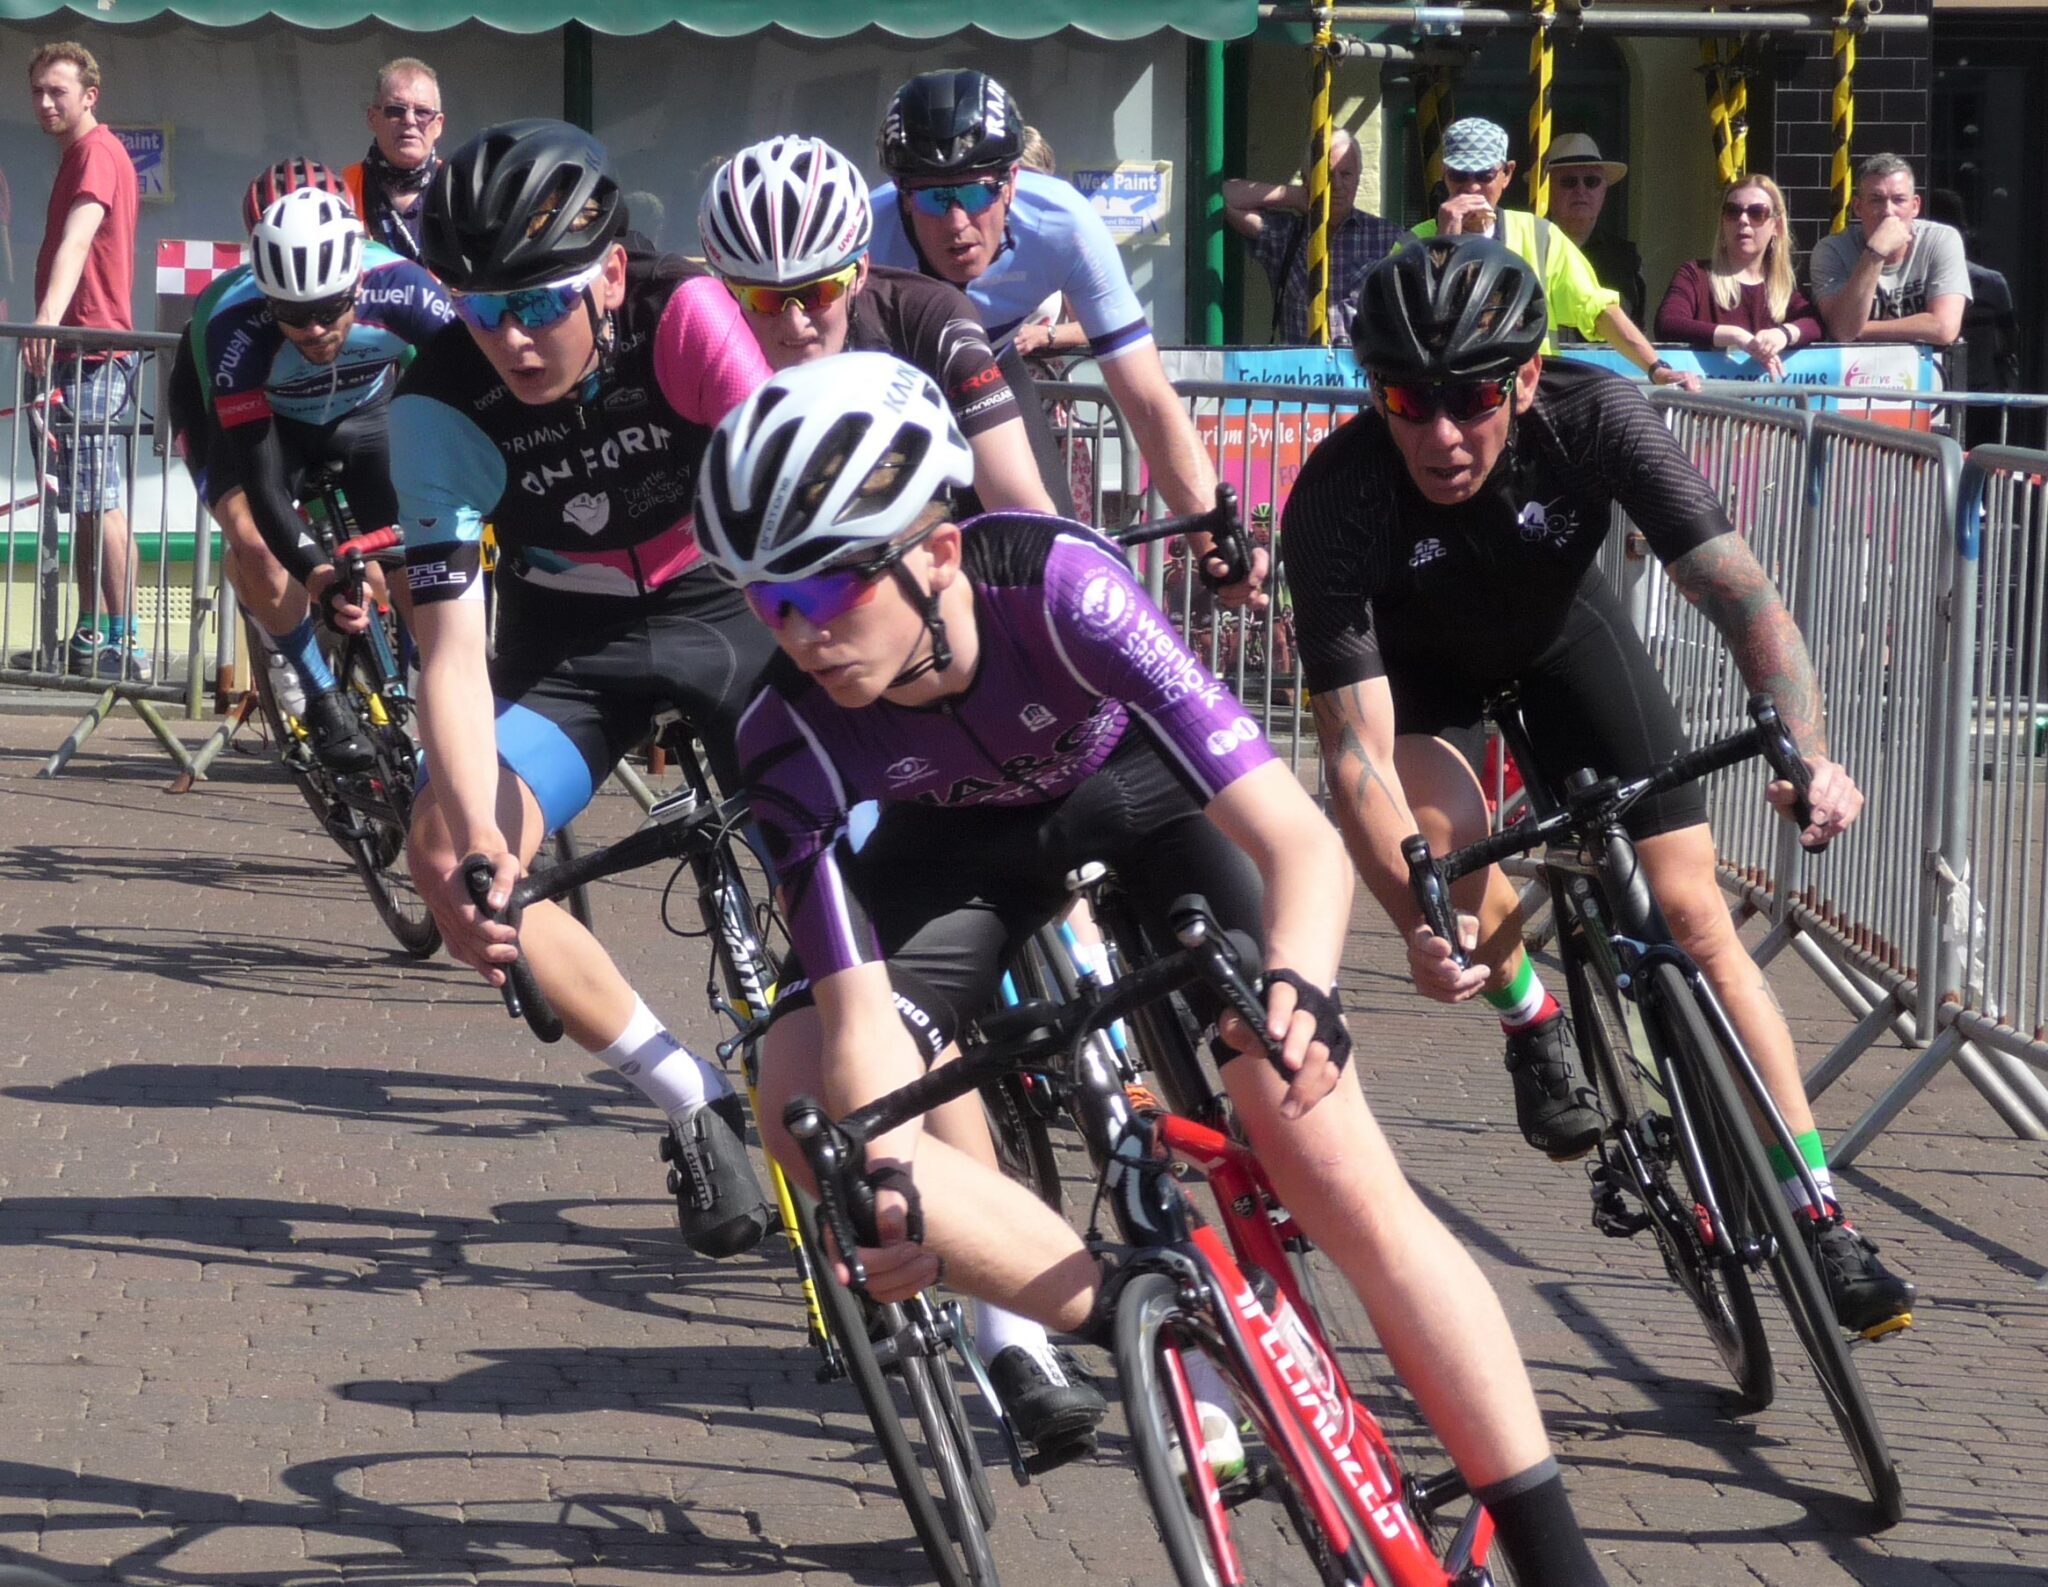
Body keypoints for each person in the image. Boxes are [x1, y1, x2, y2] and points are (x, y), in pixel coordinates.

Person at [695, 350, 1613, 1586]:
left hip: (1138, 801)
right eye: (767, 601)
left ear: (936, 552)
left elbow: (1294, 836)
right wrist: (884, 1175)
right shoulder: (784, 731)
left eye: (825, 585)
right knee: (803, 1093)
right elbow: (861, 1027)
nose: (799, 630)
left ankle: (1561, 1563)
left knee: (1320, 1138)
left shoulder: (1063, 586)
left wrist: (1301, 988)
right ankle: (1138, 1309)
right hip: (954, 855)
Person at [1281, 236, 1915, 1338]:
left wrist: (1807, 751)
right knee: (1438, 844)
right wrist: (1419, 920)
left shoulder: (1598, 412)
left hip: (1566, 638)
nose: (1439, 434)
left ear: (1526, 377)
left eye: (1472, 398)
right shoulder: (1336, 498)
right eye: (1404, 400)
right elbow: (1355, 753)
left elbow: (1743, 598)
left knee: (1690, 915)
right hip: (1422, 681)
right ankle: (1532, 1024)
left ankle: (1819, 1212)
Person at [389, 119, 779, 1260]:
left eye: (539, 302)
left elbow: (780, 513)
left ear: (609, 272)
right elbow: (451, 652)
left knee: (857, 841)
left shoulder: (685, 313)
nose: (511, 336)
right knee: (444, 852)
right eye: (479, 305)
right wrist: (476, 843)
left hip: (727, 605)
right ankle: (688, 1098)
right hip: (574, 644)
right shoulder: (438, 400)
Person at [868, 69, 1256, 602]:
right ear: (903, 197)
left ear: (1011, 183)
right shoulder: (866, 240)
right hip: (892, 400)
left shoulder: (1062, 224)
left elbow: (1147, 399)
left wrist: (1214, 541)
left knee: (1055, 568)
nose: (957, 222)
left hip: (990, 375)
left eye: (976, 192)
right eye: (934, 199)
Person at [199, 184, 455, 773]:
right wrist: (316, 572)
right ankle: (315, 689)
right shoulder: (237, 325)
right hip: (270, 428)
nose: (312, 330)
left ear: (356, 285)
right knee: (259, 546)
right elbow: (262, 481)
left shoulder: (405, 286)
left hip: (365, 417)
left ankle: (437, 693)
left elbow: (466, 397)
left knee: (422, 559)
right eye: (291, 314)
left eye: (327, 310)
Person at [697, 134, 1055, 514]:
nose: (794, 322)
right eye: (763, 299)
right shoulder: (704, 334)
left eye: (818, 293)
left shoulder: (929, 318)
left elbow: (1021, 508)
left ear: (860, 271)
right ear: (730, 291)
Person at [1412, 118, 1701, 393]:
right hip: (1444, 402)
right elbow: (1410, 323)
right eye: (1459, 175)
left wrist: (1657, 368)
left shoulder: (1540, 235)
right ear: (1444, 173)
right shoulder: (1413, 244)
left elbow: (1597, 308)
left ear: (1507, 174)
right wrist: (1445, 242)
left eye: (1485, 174)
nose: (1472, 186)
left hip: (1527, 396)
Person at [26, 41, 144, 682]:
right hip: (78, 353)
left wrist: (45, 319)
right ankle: (95, 627)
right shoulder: (80, 153)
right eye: (38, 90)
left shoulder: (97, 152)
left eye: (58, 91)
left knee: (102, 501)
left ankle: (123, 637)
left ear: (89, 95)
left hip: (94, 351)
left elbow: (77, 240)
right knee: (84, 499)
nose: (45, 101)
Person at [1223, 129, 1408, 346]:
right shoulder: (1287, 235)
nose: (1337, 185)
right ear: (1307, 179)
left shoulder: (1387, 238)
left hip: (1362, 374)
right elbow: (1224, 197)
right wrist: (1293, 196)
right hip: (1301, 375)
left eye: (1346, 174)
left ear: (1358, 178)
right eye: (1327, 176)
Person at [1656, 175, 1825, 379]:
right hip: (1702, 406)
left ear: (1776, 226)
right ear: (1723, 223)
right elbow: (1667, 324)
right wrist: (1736, 336)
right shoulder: (1694, 275)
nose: (1743, 220)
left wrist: (1783, 334)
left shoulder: (1783, 289)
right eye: (1732, 212)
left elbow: (1816, 324)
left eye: (1757, 213)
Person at [1810, 153, 1969, 348]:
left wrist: (1860, 329)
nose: (1888, 211)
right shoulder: (1831, 250)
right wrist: (1876, 252)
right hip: (1854, 371)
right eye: (1876, 200)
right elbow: (1843, 329)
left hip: (1926, 372)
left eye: (1899, 200)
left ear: (1915, 206)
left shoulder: (1941, 239)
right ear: (1858, 207)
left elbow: (1944, 328)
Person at [342, 57, 445, 264]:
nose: (409, 120)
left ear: (438, 125)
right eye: (395, 111)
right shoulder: (340, 192)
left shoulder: (460, 189)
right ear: (372, 118)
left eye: (423, 112)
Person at [1544, 133, 1644, 328]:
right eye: (1568, 182)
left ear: (1604, 190)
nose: (1580, 190)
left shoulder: (1626, 258)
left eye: (1591, 181)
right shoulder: (1527, 247)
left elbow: (1637, 327)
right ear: (1547, 189)